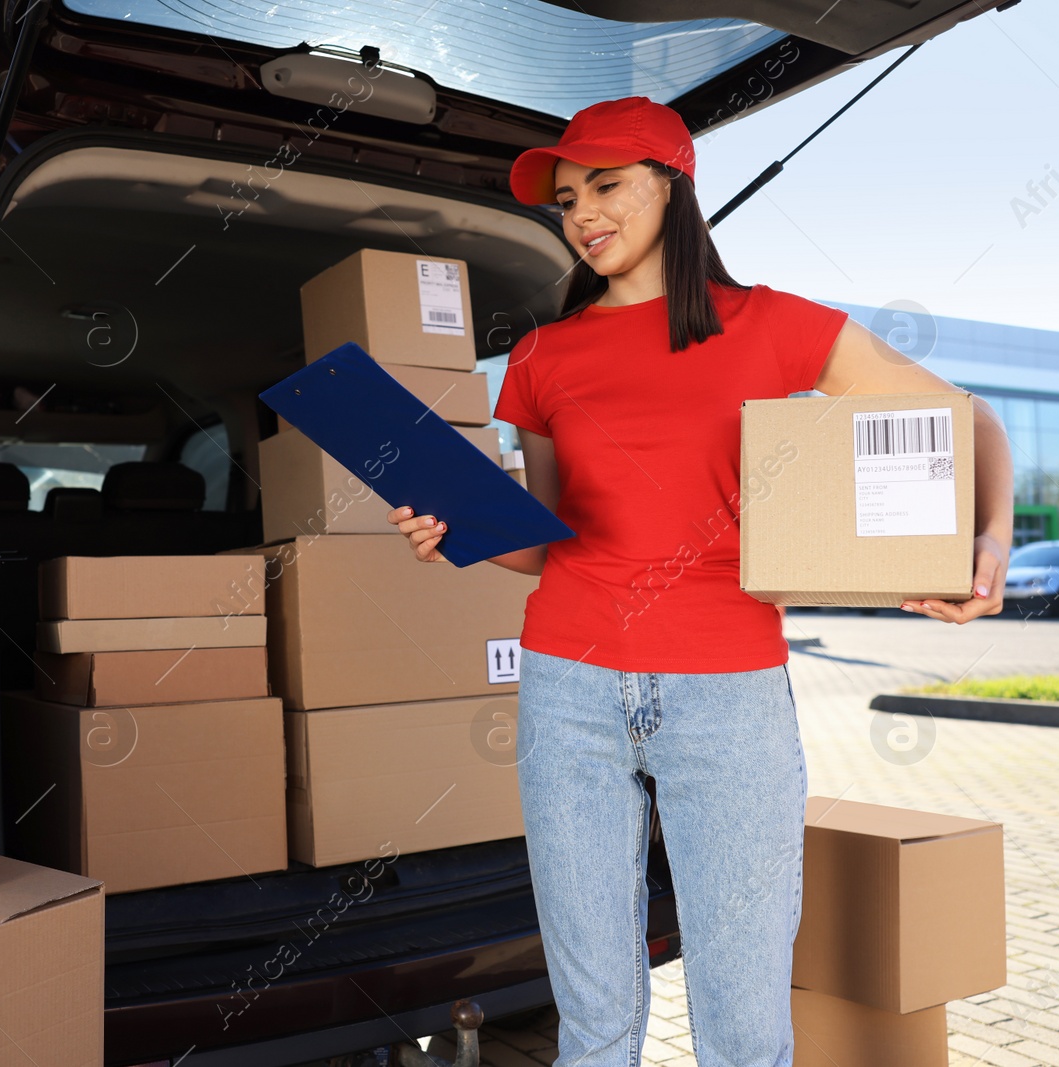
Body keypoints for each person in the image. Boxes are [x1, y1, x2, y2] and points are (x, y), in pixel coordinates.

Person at [387, 96, 1014, 1067]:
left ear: (671, 185)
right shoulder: (542, 355)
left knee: (741, 1022)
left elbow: (966, 418)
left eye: (604, 184)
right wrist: (457, 529)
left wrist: (991, 536)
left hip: (728, 691)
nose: (581, 212)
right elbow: (549, 537)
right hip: (568, 685)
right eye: (564, 197)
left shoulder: (773, 326)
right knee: (592, 1021)